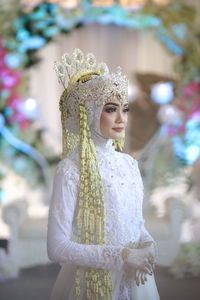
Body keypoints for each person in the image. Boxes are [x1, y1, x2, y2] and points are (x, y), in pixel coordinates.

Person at [47, 49, 160, 300]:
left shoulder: (129, 164)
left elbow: (136, 224)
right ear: (88, 112)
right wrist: (123, 256)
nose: (121, 118)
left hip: (136, 279)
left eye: (125, 108)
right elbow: (56, 248)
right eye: (110, 109)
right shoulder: (71, 169)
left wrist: (148, 243)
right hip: (89, 283)